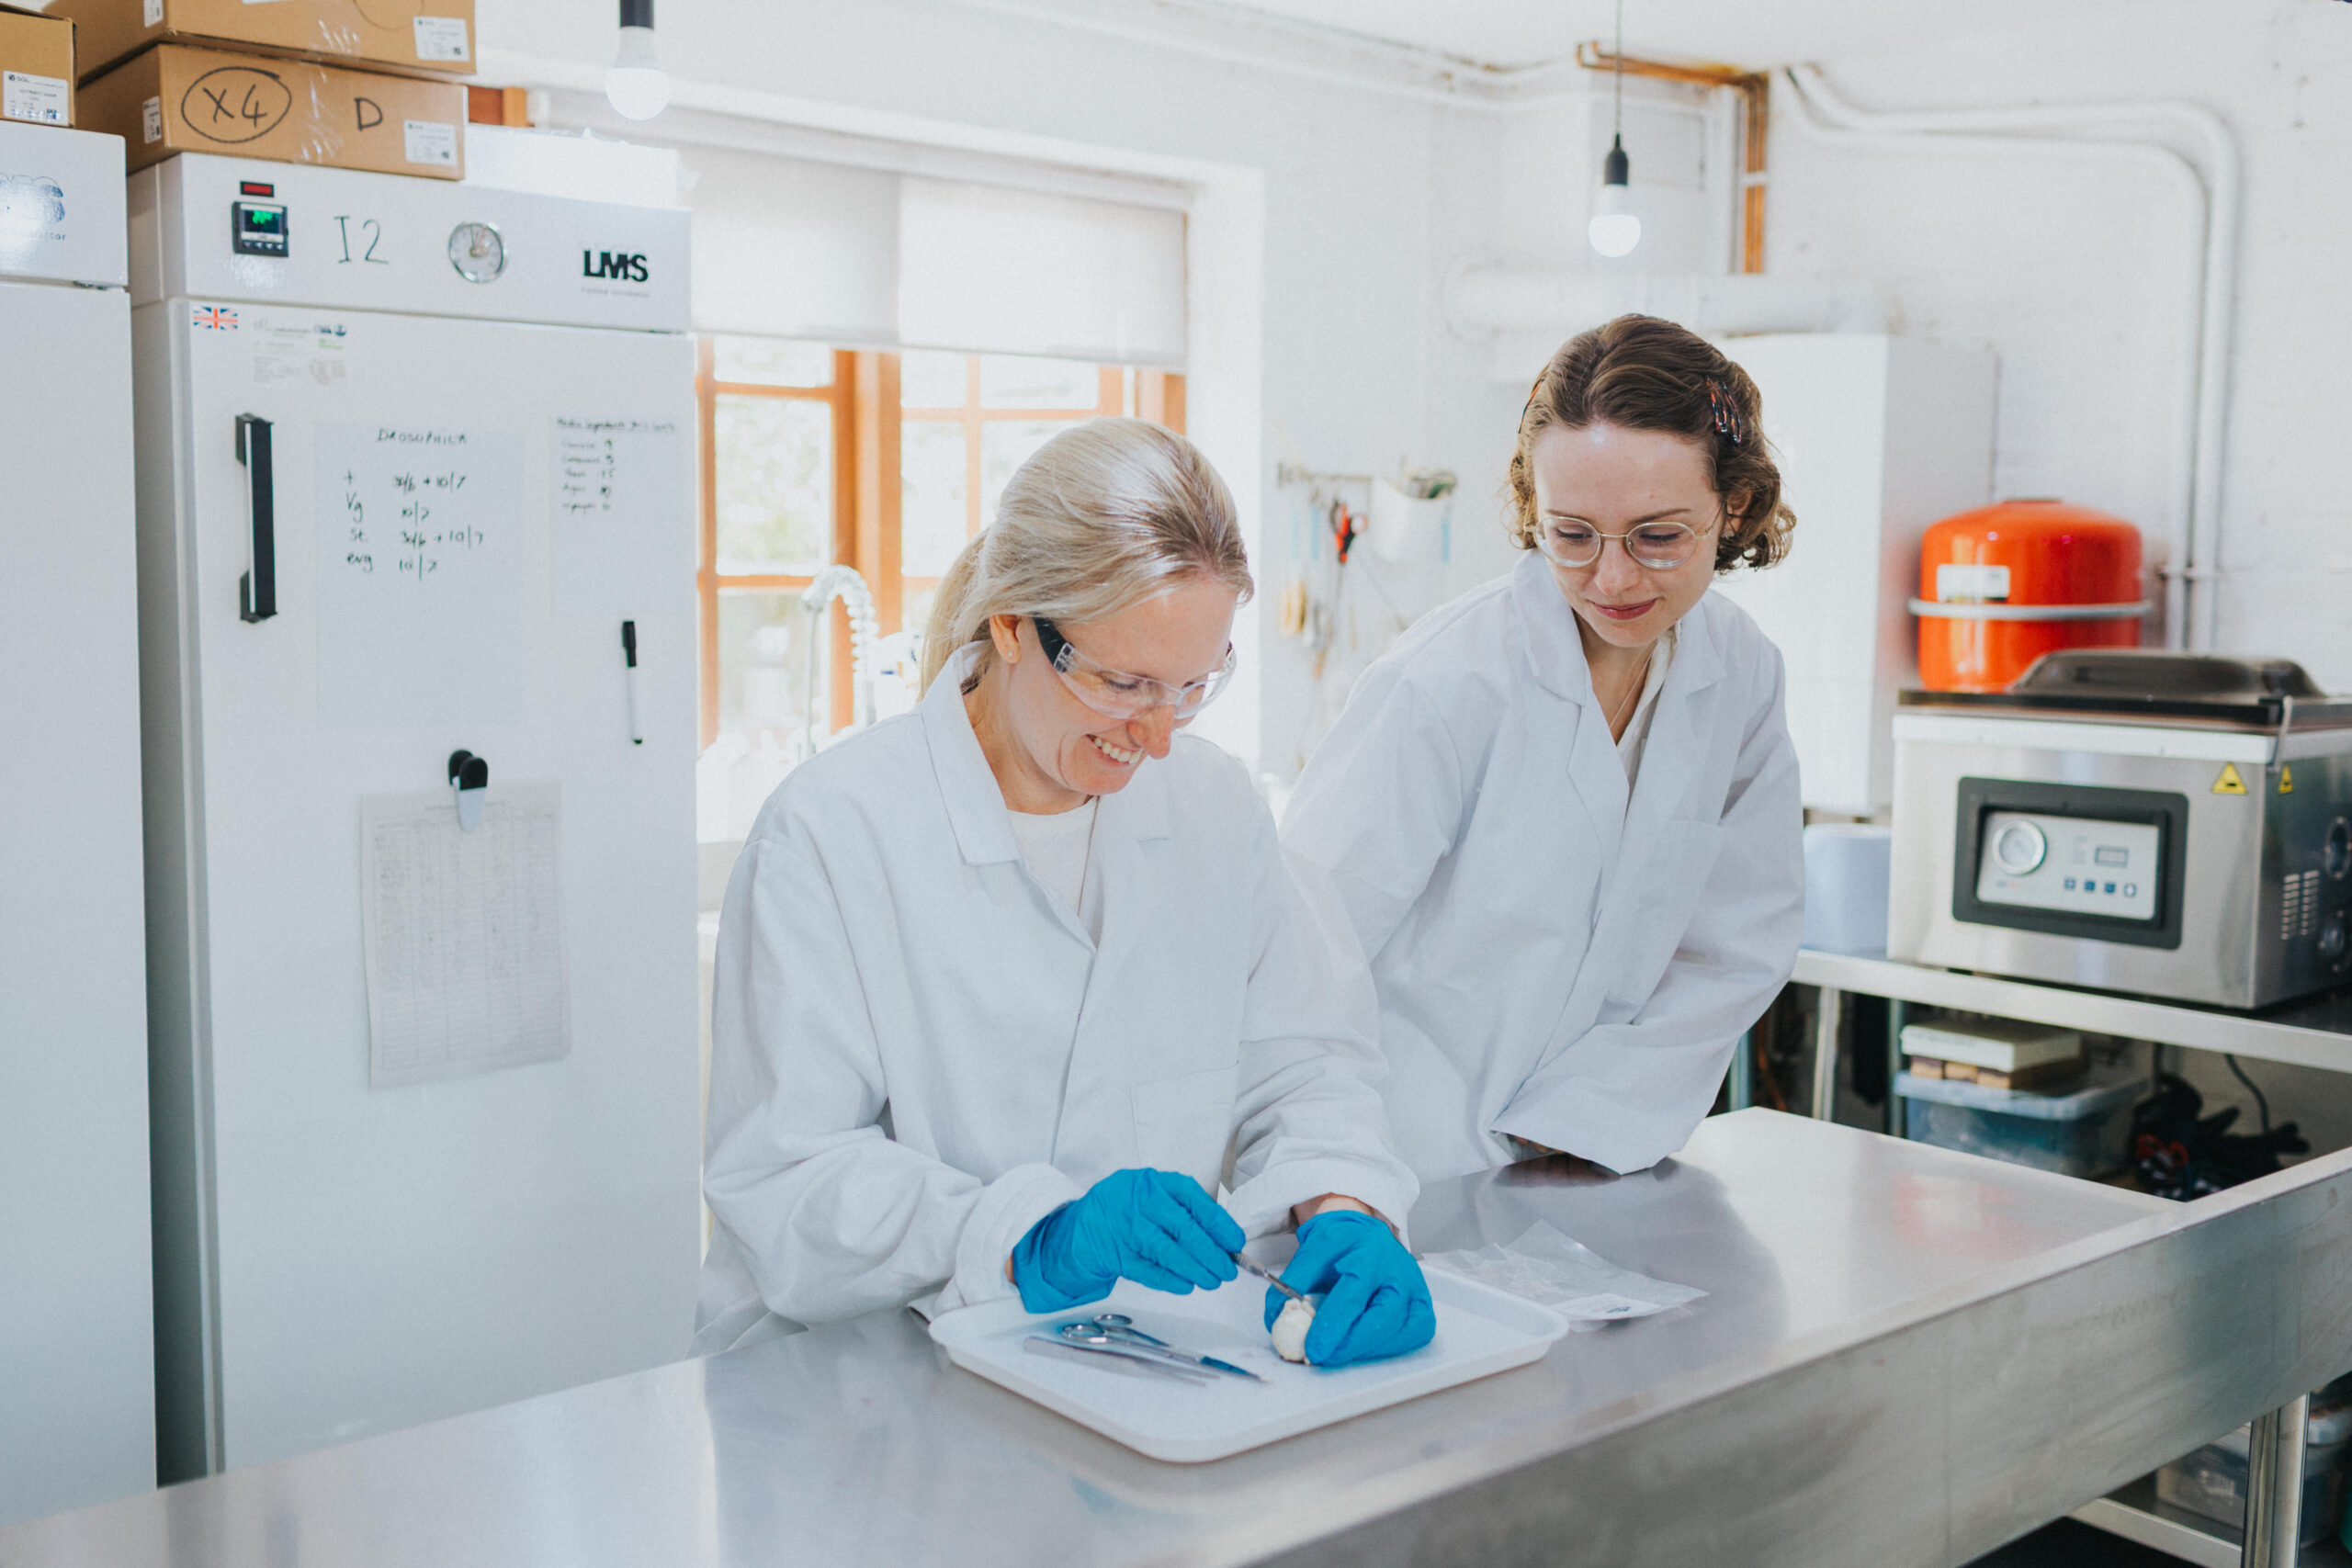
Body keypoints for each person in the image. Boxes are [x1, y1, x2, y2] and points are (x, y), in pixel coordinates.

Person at [695, 418, 1431, 1368]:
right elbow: (788, 1177)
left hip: (1134, 1369)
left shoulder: (1213, 810)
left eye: (1192, 686)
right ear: (1012, 624)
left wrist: (1341, 1198)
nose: (1157, 737)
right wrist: (1031, 1237)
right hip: (865, 1384)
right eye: (1124, 683)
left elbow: (1304, 1066)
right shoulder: (831, 834)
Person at [1282, 315, 1804, 1184]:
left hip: (1585, 1160)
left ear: (1735, 506)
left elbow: (1738, 942)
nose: (1613, 578)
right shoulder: (1445, 683)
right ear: (1536, 511)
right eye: (1573, 534)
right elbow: (1295, 962)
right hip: (1388, 1167)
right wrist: (1326, 1178)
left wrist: (1597, 1111)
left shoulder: (1739, 673)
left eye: (1658, 536)